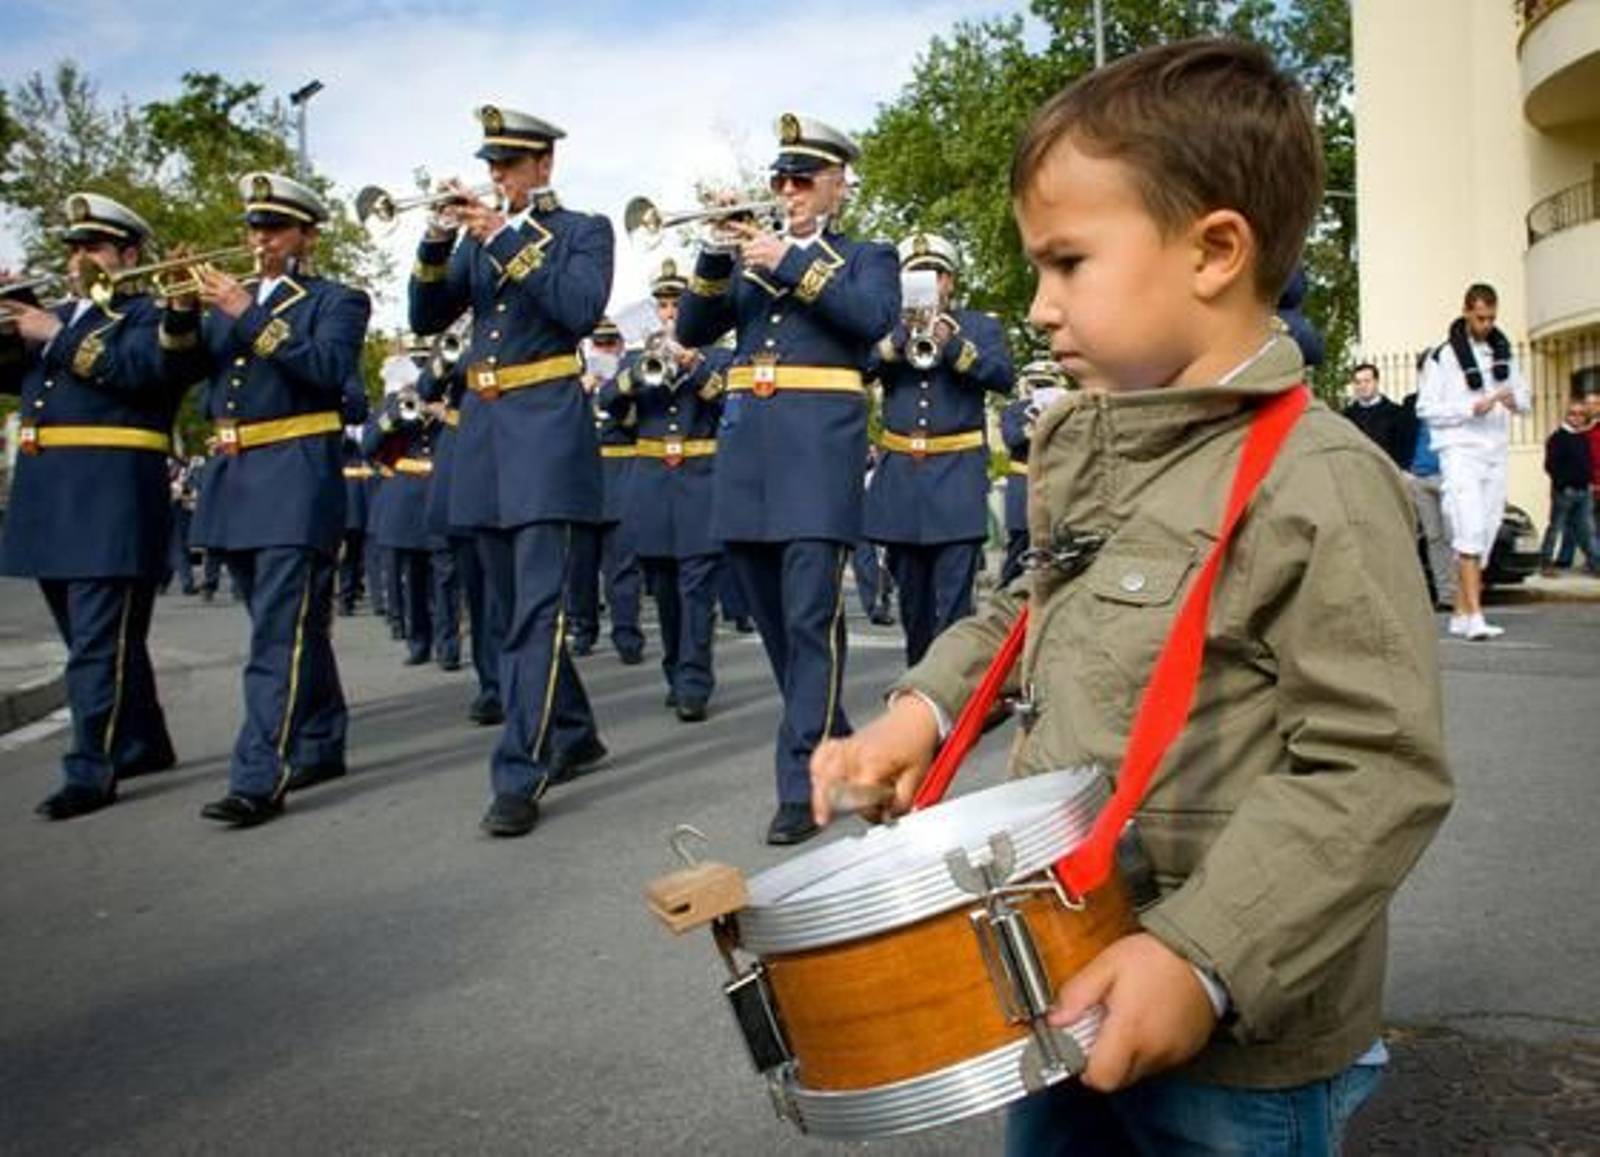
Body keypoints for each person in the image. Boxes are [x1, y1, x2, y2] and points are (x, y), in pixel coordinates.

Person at [810, 39, 1452, 1153]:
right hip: (1059, 966)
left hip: (1235, 1042)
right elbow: (1026, 607)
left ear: (1212, 251)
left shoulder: (1321, 478)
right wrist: (921, 710)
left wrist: (1201, 955)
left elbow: (1375, 765)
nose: (1039, 304)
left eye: (1067, 263)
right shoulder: (1108, 448)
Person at [676, 112, 899, 845]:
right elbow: (694, 332)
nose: (788, 189)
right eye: (780, 179)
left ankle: (803, 780)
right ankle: (831, 731)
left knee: (809, 619)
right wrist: (715, 251)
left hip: (815, 453)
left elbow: (869, 319)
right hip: (746, 452)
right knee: (777, 623)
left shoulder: (868, 254)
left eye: (803, 179)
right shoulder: (748, 258)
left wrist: (792, 261)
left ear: (837, 185)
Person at [410, 105, 613, 839]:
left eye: (510, 164)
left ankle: (520, 771)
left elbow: (579, 308)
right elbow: (430, 313)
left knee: (532, 611)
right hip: (485, 435)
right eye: (491, 165)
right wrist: (436, 240)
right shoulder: (475, 241)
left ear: (543, 166)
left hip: (546, 430)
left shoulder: (581, 231)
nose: (496, 176)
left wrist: (505, 237)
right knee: (507, 609)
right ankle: (576, 729)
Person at [1, 193, 201, 819]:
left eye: (93, 246)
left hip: (112, 493)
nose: (78, 258)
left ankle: (90, 767)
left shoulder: (149, 313)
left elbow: (144, 372)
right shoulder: (50, 315)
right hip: (50, 495)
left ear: (128, 254)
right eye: (73, 248)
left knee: (95, 643)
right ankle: (143, 742)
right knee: (101, 640)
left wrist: (52, 334)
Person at [183, 172, 372, 827]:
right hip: (234, 476)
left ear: (306, 237)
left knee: (275, 633)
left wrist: (248, 313)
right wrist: (183, 314)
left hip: (295, 475)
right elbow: (179, 368)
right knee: (289, 625)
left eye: (274, 228)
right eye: (254, 228)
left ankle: (258, 775)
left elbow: (327, 371)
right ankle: (322, 738)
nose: (259, 239)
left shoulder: (337, 299)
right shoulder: (222, 306)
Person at [865, 232, 1013, 666]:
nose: (929, 282)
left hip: (956, 477)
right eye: (916, 274)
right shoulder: (886, 328)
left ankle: (947, 694)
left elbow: (1003, 376)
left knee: (953, 607)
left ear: (951, 281)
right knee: (912, 603)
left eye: (936, 274)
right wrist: (895, 341)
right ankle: (918, 685)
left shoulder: (979, 326)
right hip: (901, 482)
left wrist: (956, 348)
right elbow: (858, 370)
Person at [601, 259, 732, 722]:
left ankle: (695, 680)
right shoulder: (637, 359)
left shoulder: (717, 357)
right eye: (664, 305)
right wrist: (636, 376)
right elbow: (606, 403)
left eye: (678, 305)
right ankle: (675, 667)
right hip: (652, 484)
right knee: (665, 590)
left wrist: (694, 366)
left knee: (698, 590)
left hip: (701, 480)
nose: (670, 312)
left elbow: (731, 404)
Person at [1417, 283, 1531, 640]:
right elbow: (1427, 408)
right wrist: (1470, 407)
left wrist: (1514, 401)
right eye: (1480, 317)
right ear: (1466, 311)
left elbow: (1526, 398)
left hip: (1494, 452)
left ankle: (1463, 613)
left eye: (1492, 318)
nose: (1485, 324)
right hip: (1460, 449)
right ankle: (1476, 614)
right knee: (1470, 527)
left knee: (1488, 528)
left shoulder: (1503, 352)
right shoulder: (1442, 356)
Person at [567, 318, 644, 663]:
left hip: (622, 472)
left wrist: (617, 392)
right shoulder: (572, 375)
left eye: (612, 342)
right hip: (582, 477)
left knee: (622, 566)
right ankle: (583, 628)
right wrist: (579, 390)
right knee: (580, 566)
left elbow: (642, 423)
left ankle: (627, 634)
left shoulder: (633, 372)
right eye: (600, 342)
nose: (606, 348)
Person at [997, 359, 1071, 586]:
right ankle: (1006, 594)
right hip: (1023, 482)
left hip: (1057, 481)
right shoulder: (1014, 410)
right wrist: (1032, 426)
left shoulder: (1069, 409)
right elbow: (1011, 440)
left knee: (1060, 544)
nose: (1040, 390)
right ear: (1027, 385)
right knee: (1019, 545)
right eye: (1036, 385)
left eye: (1046, 385)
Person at [1401, 378, 1458, 610]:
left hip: (1448, 475)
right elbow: (1403, 435)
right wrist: (1406, 470)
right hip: (1419, 477)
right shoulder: (1413, 403)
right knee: (1433, 539)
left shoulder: (1453, 402)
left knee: (1453, 536)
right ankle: (1445, 595)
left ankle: (1462, 592)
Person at [1538, 399, 1599, 574]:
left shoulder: (1582, 437)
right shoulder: (1557, 438)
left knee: (1588, 531)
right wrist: (1563, 484)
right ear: (1567, 415)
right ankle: (1546, 563)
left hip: (1584, 491)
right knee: (1555, 528)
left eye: (1581, 414)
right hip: (1565, 492)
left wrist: (1589, 483)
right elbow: (1551, 466)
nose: (1577, 418)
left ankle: (1596, 565)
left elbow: (1587, 462)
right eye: (1573, 413)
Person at [1341, 361, 1410, 468]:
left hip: (1387, 471)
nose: (1362, 386)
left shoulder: (1396, 412)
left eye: (1367, 381)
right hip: (1357, 471)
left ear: (1376, 382)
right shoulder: (1347, 415)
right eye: (1358, 382)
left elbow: (1403, 448)